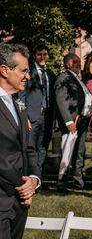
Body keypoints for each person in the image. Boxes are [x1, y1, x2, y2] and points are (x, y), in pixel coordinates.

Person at [0, 43, 43, 239]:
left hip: (18, 201)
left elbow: (31, 150)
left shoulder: (20, 104)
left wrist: (34, 179)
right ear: (5, 70)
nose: (29, 76)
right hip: (3, 196)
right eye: (24, 70)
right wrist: (19, 184)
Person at [53, 53, 92, 192]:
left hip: (81, 121)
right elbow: (61, 100)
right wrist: (68, 121)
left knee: (79, 152)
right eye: (74, 61)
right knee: (68, 151)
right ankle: (62, 182)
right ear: (67, 63)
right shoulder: (63, 77)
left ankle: (78, 181)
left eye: (79, 61)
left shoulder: (77, 77)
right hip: (72, 121)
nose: (78, 63)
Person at [23, 44, 56, 178]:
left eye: (44, 54)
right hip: (32, 116)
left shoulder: (50, 74)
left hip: (47, 116)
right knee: (30, 149)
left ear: (48, 56)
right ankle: (27, 177)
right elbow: (21, 94)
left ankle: (38, 179)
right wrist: (24, 116)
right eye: (39, 54)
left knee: (42, 149)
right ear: (34, 56)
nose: (42, 57)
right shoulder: (28, 72)